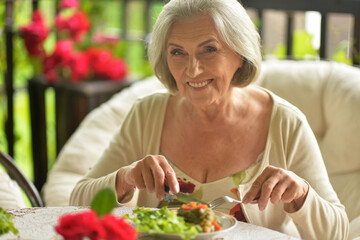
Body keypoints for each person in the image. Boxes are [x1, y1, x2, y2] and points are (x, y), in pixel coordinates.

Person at [70, 0, 349, 238]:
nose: (193, 69)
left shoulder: (286, 123)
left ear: (240, 54)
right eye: (178, 52)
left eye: (209, 49)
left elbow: (337, 232)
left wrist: (301, 194)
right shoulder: (146, 114)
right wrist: (126, 178)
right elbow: (78, 200)